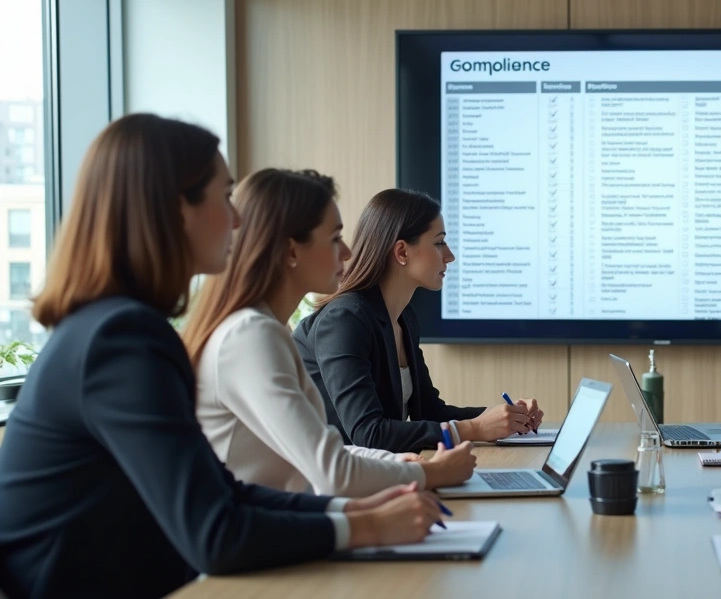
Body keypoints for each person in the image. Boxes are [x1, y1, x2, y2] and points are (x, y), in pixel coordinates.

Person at [0, 115, 442, 599]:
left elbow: (223, 493)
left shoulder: (110, 327)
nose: (236, 219)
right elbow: (215, 532)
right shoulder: (122, 340)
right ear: (175, 209)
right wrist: (368, 529)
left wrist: (353, 513)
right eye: (224, 195)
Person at [181, 168, 476, 496]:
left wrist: (395, 465)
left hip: (284, 519)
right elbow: (331, 471)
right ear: (292, 251)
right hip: (259, 534)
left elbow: (320, 456)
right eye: (335, 238)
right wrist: (430, 474)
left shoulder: (269, 331)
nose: (348, 252)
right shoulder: (251, 337)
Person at [293, 188, 545, 453]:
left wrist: (505, 418)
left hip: (380, 474)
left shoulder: (403, 317)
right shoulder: (344, 320)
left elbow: (429, 411)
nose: (450, 256)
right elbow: (368, 434)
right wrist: (477, 428)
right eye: (439, 242)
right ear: (402, 251)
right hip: (333, 486)